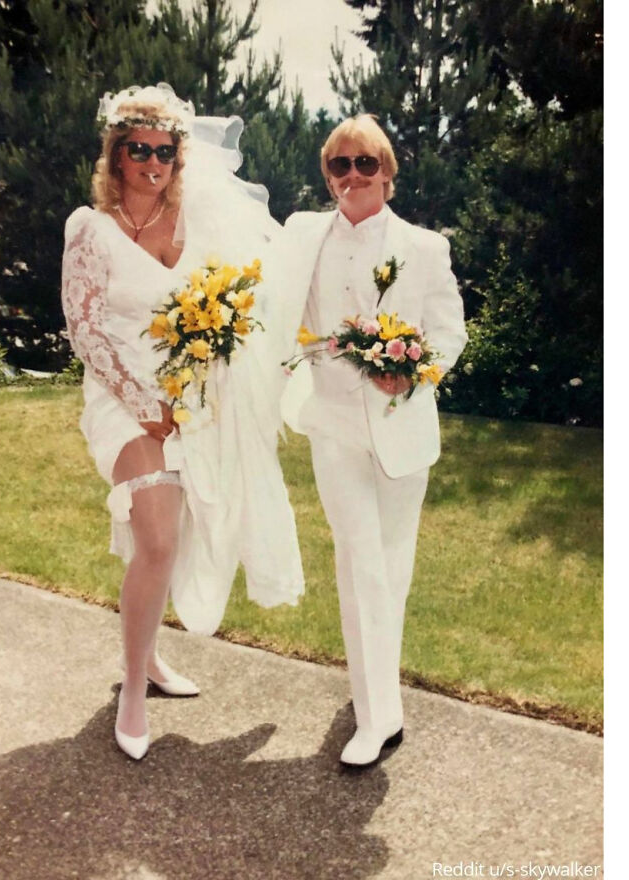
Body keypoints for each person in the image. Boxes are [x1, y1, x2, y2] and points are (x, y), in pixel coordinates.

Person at [61, 84, 304, 760]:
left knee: (169, 533)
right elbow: (84, 330)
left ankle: (151, 654)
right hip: (121, 399)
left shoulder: (198, 226)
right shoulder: (90, 228)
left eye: (163, 151)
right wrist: (143, 404)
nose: (151, 162)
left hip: (189, 396)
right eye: (137, 149)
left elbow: (239, 298)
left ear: (178, 156)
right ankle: (134, 689)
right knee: (161, 535)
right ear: (115, 154)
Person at [281, 115, 467, 766]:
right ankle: (376, 716)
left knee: (393, 571)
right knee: (360, 566)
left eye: (365, 164)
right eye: (340, 165)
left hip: (402, 430)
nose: (352, 176)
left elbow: (448, 332)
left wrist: (414, 375)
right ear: (327, 176)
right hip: (332, 425)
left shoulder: (425, 247)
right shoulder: (302, 237)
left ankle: (375, 684)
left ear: (387, 174)